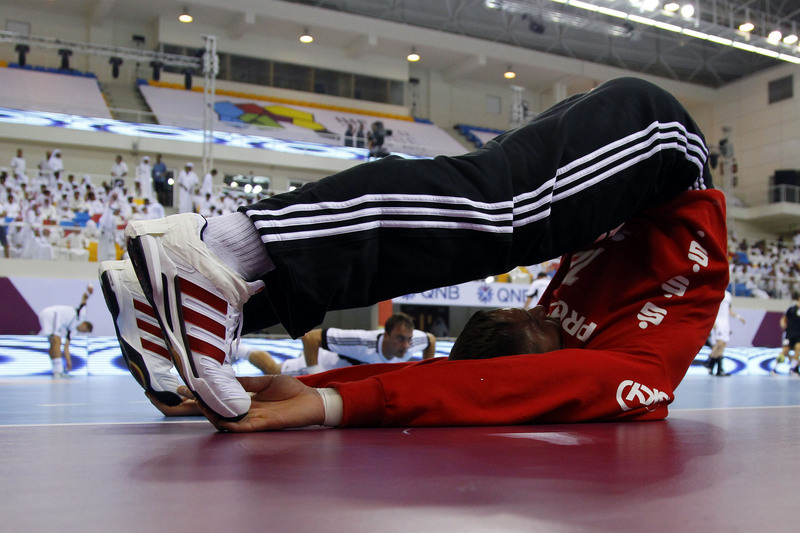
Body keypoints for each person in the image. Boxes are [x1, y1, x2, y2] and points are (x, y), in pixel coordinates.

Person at [109, 77, 727, 431]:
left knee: (467, 241)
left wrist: (302, 389)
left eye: (527, 320)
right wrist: (331, 405)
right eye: (534, 323)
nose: (536, 309)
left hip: (627, 189)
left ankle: (174, 302)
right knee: (501, 217)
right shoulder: (638, 369)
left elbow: (459, 383)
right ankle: (223, 249)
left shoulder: (567, 347)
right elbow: (497, 388)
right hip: (667, 160)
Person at [248, 313, 437, 375]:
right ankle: (239, 350)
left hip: (350, 376)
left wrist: (426, 373)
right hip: (326, 363)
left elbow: (430, 340)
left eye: (408, 339)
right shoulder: (362, 341)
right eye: (400, 339)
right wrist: (315, 376)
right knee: (273, 371)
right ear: (386, 335)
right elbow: (311, 338)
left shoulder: (414, 341)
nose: (406, 346)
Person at [38, 285, 94, 377]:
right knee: (57, 341)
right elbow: (84, 298)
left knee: (53, 343)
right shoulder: (82, 314)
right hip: (53, 314)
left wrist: (69, 362)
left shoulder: (73, 331)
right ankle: (58, 370)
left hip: (47, 317)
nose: (83, 332)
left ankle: (55, 369)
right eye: (85, 330)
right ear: (85, 325)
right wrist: (89, 292)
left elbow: (66, 347)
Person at [704, 289, 745, 376]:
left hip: (726, 323)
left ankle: (718, 369)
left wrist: (739, 317)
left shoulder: (728, 295)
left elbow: (729, 310)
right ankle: (708, 361)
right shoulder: (715, 292)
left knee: (722, 346)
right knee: (718, 344)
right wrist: (713, 321)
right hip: (718, 321)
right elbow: (711, 308)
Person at [776, 293, 800, 375]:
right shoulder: (791, 308)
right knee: (785, 350)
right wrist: (783, 324)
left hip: (799, 334)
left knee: (798, 348)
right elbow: (783, 318)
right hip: (789, 333)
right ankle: (775, 368)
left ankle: (792, 368)